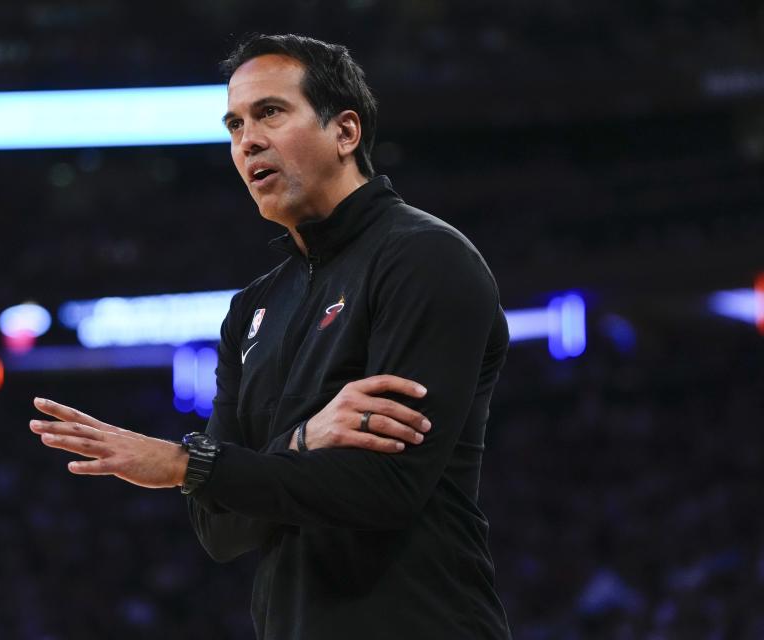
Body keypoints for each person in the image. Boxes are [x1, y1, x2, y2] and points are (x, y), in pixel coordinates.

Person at [30, 33, 511, 639]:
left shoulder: (425, 259)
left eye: (270, 113)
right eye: (234, 125)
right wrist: (305, 439)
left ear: (345, 133)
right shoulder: (254, 308)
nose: (247, 140)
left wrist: (189, 464)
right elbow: (222, 530)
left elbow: (390, 488)